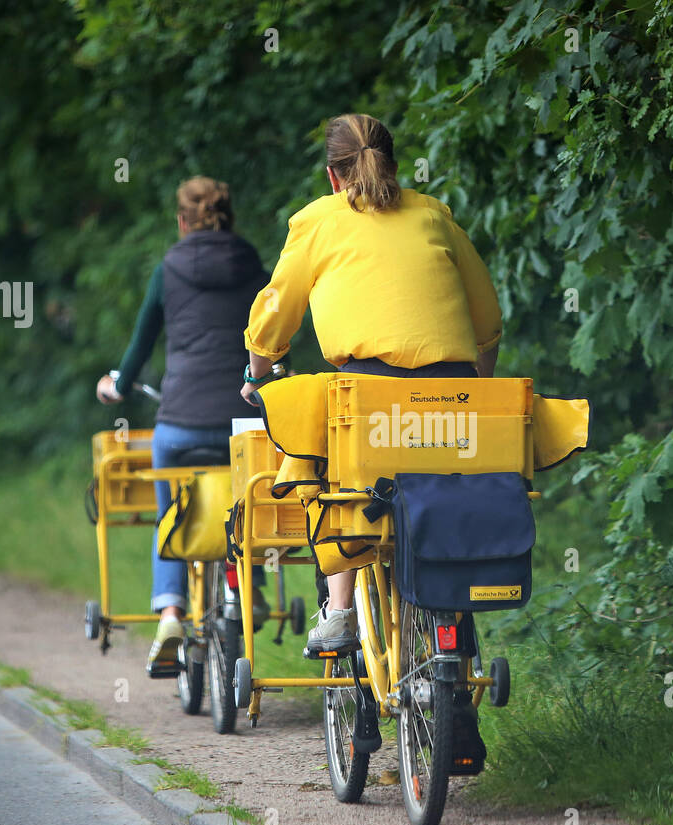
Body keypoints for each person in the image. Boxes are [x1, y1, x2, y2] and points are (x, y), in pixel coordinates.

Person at [240, 113, 501, 655]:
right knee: (445, 488)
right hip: (451, 396)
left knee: (327, 475)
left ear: (333, 177)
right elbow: (486, 316)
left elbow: (275, 310)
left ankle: (339, 611)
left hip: (366, 395)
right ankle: (451, 616)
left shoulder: (318, 221)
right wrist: (480, 379)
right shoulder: (435, 216)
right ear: (394, 165)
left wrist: (256, 370)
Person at [98, 176, 270, 677]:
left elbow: (140, 345)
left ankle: (171, 612)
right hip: (242, 423)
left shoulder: (167, 269)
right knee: (250, 511)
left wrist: (119, 384)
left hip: (181, 426)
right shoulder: (252, 267)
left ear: (181, 221)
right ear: (229, 217)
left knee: (169, 515)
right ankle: (249, 591)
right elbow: (271, 337)